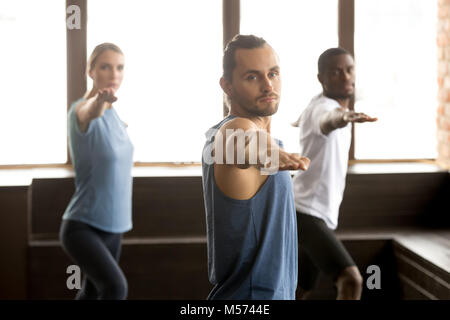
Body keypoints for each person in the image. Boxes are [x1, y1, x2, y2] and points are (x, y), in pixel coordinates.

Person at [201, 34, 310, 300]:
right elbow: (240, 143)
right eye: (252, 77)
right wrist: (270, 153)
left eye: (273, 74)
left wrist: (272, 150)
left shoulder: (269, 141)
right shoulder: (230, 132)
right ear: (227, 86)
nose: (267, 85)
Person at [292, 47, 377, 300]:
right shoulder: (325, 108)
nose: (345, 76)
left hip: (316, 214)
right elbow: (328, 119)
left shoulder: (322, 102)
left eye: (349, 70)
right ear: (322, 78)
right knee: (351, 280)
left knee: (300, 291)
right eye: (336, 72)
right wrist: (344, 117)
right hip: (306, 214)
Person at [59, 43, 134, 300]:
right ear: (91, 71)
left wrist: (106, 104)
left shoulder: (115, 116)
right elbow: (91, 110)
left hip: (115, 227)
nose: (114, 74)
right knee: (115, 288)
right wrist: (100, 101)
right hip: (83, 227)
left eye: (119, 67)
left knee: (91, 292)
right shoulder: (81, 109)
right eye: (105, 67)